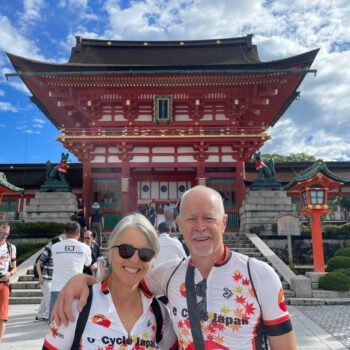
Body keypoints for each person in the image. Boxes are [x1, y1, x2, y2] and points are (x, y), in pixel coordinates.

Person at [53, 186, 297, 350]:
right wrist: (83, 280)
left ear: (223, 223)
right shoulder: (167, 274)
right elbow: (125, 281)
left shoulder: (258, 275)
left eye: (209, 218)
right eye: (191, 219)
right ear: (179, 224)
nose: (199, 227)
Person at [43, 213, 177, 349]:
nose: (135, 259)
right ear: (110, 252)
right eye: (126, 250)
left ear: (152, 261)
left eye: (145, 254)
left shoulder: (160, 313)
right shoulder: (77, 306)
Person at [49, 221, 92, 320]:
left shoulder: (55, 247)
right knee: (75, 324)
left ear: (65, 233)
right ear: (79, 233)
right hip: (76, 290)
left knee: (55, 325)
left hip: (57, 289)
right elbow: (88, 263)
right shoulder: (85, 247)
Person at [35, 236, 62, 322]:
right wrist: (40, 276)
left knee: (46, 297)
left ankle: (39, 315)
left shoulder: (58, 253)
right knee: (49, 297)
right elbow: (38, 264)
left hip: (52, 279)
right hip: (45, 278)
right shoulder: (47, 253)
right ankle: (48, 315)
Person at [0, 222, 16, 343]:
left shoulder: (11, 247)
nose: (4, 236)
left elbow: (14, 268)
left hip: (4, 284)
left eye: (6, 234)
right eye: (1, 233)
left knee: (2, 317)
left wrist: (10, 273)